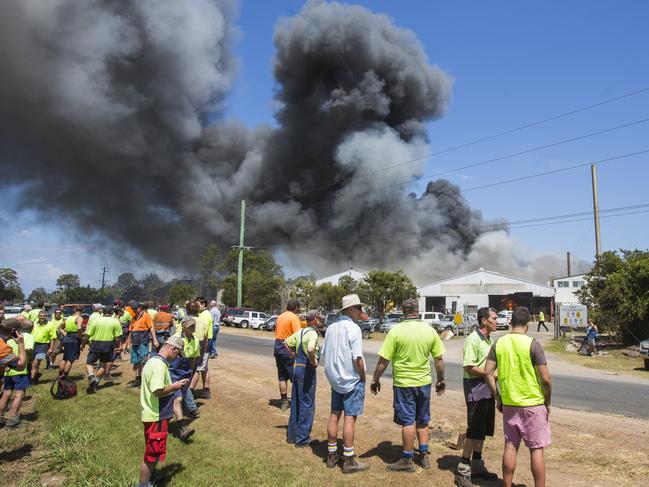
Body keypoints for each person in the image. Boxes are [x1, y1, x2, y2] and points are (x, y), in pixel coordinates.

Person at [370, 298, 446, 472]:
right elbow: (439, 358)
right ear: (417, 310)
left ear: (403, 311)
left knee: (408, 421)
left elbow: (384, 360)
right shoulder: (429, 331)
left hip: (404, 383)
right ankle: (424, 455)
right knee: (423, 419)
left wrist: (375, 378)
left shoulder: (396, 332)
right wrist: (441, 379)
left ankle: (406, 458)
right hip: (424, 382)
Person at [484, 306, 552, 487]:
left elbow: (488, 372)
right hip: (533, 404)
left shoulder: (499, 343)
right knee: (536, 449)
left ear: (510, 322)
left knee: (510, 446)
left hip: (510, 404)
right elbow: (545, 379)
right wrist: (548, 401)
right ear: (527, 325)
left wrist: (498, 397)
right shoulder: (533, 344)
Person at [321, 294, 369, 474]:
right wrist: (363, 376)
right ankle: (349, 459)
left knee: (334, 414)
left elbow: (326, 352)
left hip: (335, 379)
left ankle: (332, 455)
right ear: (349, 309)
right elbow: (358, 358)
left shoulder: (331, 328)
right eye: (358, 308)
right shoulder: (354, 328)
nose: (361, 312)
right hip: (351, 379)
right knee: (350, 417)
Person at [456, 307, 499, 486]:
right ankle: (463, 469)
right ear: (484, 321)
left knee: (483, 429)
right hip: (476, 389)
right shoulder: (473, 339)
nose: (497, 321)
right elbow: (469, 367)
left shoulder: (489, 339)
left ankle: (478, 465)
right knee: (474, 429)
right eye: (494, 318)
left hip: (488, 389)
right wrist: (490, 375)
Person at [138, 337, 187, 487]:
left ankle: (152, 477)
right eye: (178, 354)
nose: (177, 358)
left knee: (154, 451)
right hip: (156, 416)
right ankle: (143, 484)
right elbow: (157, 391)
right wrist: (175, 386)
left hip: (152, 414)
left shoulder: (152, 361)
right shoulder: (159, 366)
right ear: (173, 349)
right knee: (151, 455)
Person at [285, 310, 321, 447]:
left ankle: (292, 435)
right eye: (319, 319)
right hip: (307, 370)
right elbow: (311, 349)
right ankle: (302, 439)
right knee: (307, 403)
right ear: (315, 319)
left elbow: (286, 343)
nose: (320, 321)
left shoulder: (301, 332)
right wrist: (313, 362)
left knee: (296, 401)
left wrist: (293, 355)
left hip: (297, 367)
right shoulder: (312, 333)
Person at [168, 318, 200, 442]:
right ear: (184, 327)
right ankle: (183, 428)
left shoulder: (196, 340)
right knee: (178, 399)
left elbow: (194, 359)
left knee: (175, 399)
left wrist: (190, 374)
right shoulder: (176, 339)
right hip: (173, 372)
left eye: (194, 325)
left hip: (185, 372)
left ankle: (165, 419)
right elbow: (168, 356)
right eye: (191, 326)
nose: (193, 327)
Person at [0, 319, 34, 428]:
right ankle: (12, 419)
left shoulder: (5, 342)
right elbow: (21, 364)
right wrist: (21, 344)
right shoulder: (3, 348)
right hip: (19, 371)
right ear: (14, 331)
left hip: (8, 372)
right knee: (19, 393)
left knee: (6, 393)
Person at [84, 306, 122, 394]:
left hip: (96, 343)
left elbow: (88, 334)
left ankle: (91, 376)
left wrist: (83, 343)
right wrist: (117, 347)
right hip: (108, 345)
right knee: (103, 365)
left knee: (89, 363)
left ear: (102, 312)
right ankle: (95, 382)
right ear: (112, 313)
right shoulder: (115, 321)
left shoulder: (96, 320)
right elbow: (117, 338)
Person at [274, 299, 302, 411]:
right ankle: (297, 403)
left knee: (282, 377)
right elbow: (298, 335)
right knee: (294, 377)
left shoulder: (280, 316)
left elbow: (276, 332)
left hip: (278, 347)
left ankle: (284, 402)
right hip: (288, 348)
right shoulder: (294, 317)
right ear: (296, 307)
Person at [127, 303, 158, 388]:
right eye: (132, 309)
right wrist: (128, 343)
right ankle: (137, 379)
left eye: (135, 308)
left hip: (143, 342)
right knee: (136, 361)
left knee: (143, 361)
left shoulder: (146, 316)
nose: (133, 310)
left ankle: (144, 381)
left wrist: (155, 340)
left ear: (140, 308)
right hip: (135, 342)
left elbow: (151, 327)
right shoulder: (133, 317)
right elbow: (131, 330)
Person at [189, 299, 211, 399]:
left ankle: (191, 391)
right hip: (201, 341)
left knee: (199, 367)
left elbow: (204, 331)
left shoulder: (205, 314)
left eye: (198, 305)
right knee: (202, 367)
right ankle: (206, 389)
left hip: (204, 342)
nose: (197, 308)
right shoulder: (202, 314)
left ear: (203, 304)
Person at [30, 310, 56, 384]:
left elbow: (53, 337)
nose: (42, 317)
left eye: (44, 316)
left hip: (44, 345)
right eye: (41, 316)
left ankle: (31, 381)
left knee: (36, 362)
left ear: (46, 317)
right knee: (32, 364)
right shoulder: (34, 324)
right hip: (33, 345)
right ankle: (36, 376)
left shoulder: (50, 325)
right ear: (38, 316)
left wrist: (51, 348)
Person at [60, 306, 84, 378]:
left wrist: (65, 335)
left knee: (65, 358)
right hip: (74, 339)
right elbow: (79, 328)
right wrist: (80, 337)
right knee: (71, 359)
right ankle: (65, 376)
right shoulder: (79, 318)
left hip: (67, 338)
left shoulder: (69, 318)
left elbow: (60, 327)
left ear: (74, 309)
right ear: (83, 310)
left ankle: (60, 375)